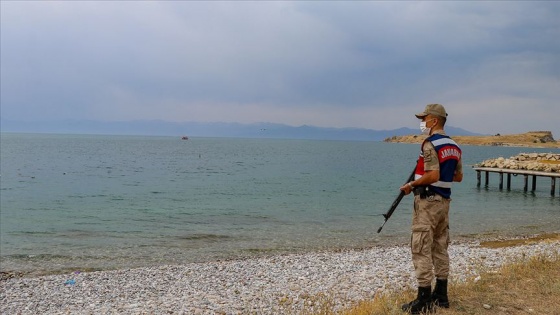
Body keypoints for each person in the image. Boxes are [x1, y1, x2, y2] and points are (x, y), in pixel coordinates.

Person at [399, 104, 463, 314]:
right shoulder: (454, 145)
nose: (422, 123)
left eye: (424, 118)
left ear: (434, 120)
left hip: (427, 201)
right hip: (444, 203)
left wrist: (412, 185)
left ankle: (424, 298)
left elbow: (432, 174)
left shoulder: (430, 144)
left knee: (421, 247)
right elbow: (458, 176)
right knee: (440, 246)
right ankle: (441, 295)